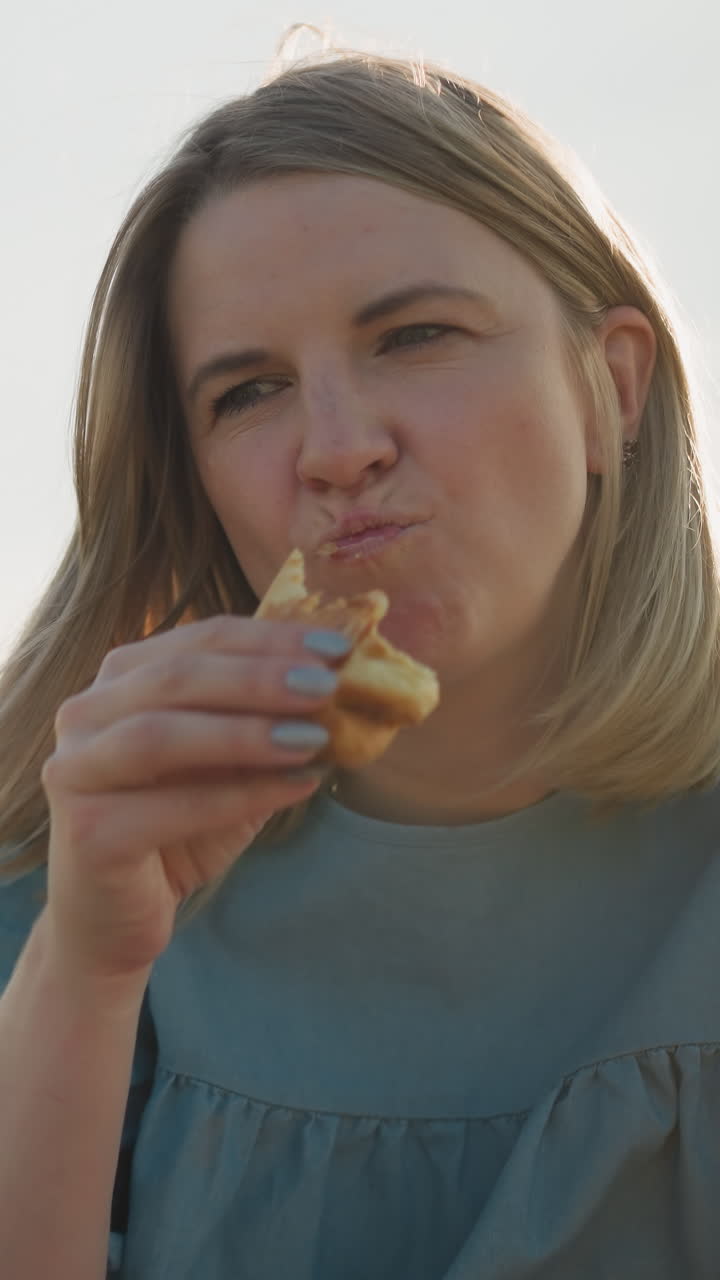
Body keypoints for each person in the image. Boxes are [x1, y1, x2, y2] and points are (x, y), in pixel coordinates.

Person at [1, 43, 719, 1280]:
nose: (334, 449)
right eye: (249, 391)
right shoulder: (65, 887)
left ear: (612, 387)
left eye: (416, 334)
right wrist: (83, 968)